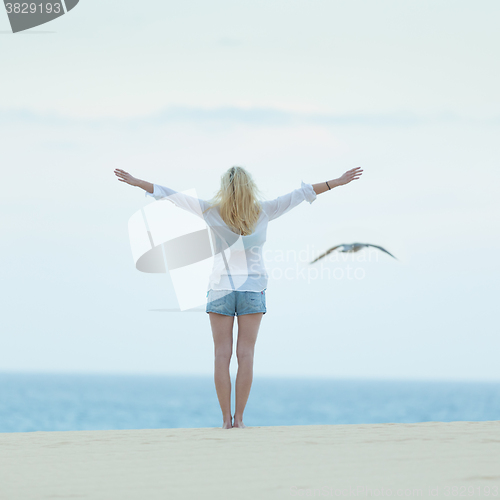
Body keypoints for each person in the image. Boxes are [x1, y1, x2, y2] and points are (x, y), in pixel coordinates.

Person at [114, 165, 363, 428]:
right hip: (253, 291)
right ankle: (240, 420)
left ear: (224, 188)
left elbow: (171, 196)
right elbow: (302, 194)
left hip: (220, 289)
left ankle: (225, 421)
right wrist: (338, 181)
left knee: (222, 355)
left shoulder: (210, 210)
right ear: (249, 187)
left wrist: (137, 182)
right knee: (246, 355)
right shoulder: (264, 210)